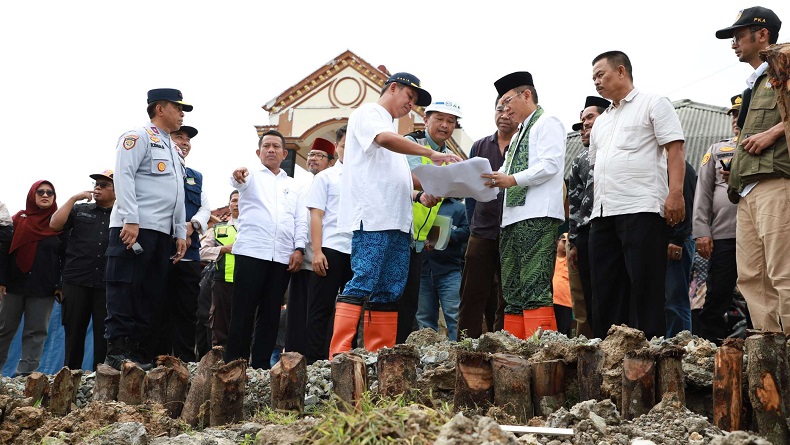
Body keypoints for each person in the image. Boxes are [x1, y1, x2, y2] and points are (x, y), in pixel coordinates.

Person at [329, 72, 460, 357]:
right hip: (374, 218)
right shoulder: (369, 114)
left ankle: (380, 354)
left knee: (390, 288)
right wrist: (432, 154)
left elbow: (402, 178)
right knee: (364, 279)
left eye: (414, 102)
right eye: (409, 97)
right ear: (392, 88)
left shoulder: (391, 130)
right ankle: (339, 354)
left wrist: (434, 185)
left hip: (400, 222)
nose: (410, 105)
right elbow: (384, 139)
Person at [587, 51, 686, 339]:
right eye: (593, 77)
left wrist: (675, 193)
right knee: (604, 290)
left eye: (600, 75)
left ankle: (648, 361)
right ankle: (610, 357)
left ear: (621, 71)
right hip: (603, 213)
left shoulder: (653, 103)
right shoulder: (602, 121)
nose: (596, 82)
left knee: (645, 289)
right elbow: (598, 165)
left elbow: (675, 150)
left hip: (640, 208)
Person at [104, 88, 190, 370]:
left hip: (161, 233)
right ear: (160, 108)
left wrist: (179, 231)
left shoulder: (174, 150)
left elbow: (177, 194)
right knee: (125, 288)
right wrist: (131, 218)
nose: (181, 114)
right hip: (135, 227)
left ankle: (139, 352)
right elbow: (124, 176)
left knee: (150, 294)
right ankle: (118, 352)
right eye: (178, 108)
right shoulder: (137, 137)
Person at [716, 7, 789, 333]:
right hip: (747, 191)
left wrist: (774, 133)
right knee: (751, 278)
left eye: (738, 35)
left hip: (777, 182)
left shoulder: (784, 66)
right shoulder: (755, 81)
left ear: (762, 34)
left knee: (783, 273)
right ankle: (770, 360)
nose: (734, 43)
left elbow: (773, 128)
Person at [481, 71, 566, 340]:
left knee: (534, 285)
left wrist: (511, 179)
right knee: (513, 289)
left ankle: (540, 350)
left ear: (526, 95)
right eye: (501, 104)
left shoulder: (547, 122)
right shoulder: (519, 134)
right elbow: (503, 171)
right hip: (512, 218)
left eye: (508, 101)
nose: (505, 109)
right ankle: (515, 349)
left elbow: (551, 165)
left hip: (538, 214)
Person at [226, 129, 308, 369]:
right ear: (258, 152)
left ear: (284, 153)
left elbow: (300, 219)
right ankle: (234, 364)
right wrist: (237, 175)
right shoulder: (250, 177)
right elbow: (236, 180)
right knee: (243, 311)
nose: (271, 150)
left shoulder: (294, 186)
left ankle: (261, 366)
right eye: (266, 146)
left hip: (282, 256)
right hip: (252, 252)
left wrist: (299, 248)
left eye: (275, 147)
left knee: (271, 314)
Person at [399, 99, 464, 343]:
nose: (445, 125)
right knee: (399, 301)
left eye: (451, 121)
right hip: (401, 233)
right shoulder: (412, 143)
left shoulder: (451, 155)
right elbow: (415, 177)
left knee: (414, 306)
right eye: (439, 119)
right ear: (426, 119)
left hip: (421, 243)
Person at [458, 97, 516, 339]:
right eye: (499, 109)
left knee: (507, 293)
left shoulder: (524, 146)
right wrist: (473, 225)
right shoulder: (480, 146)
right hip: (481, 230)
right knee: (472, 291)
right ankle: (464, 344)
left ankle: (502, 342)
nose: (504, 114)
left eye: (509, 110)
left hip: (513, 229)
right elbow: (471, 192)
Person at [151, 124, 210, 363]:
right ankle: (157, 360)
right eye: (179, 137)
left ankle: (184, 362)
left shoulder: (196, 176)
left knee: (187, 311)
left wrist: (191, 225)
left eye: (187, 139)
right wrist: (176, 229)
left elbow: (206, 208)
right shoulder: (158, 170)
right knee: (158, 307)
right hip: (162, 250)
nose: (184, 142)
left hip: (190, 254)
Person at [49, 170, 115, 370]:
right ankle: (69, 377)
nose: (97, 187)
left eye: (104, 184)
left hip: (106, 282)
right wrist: (73, 198)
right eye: (96, 183)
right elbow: (54, 224)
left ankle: (99, 381)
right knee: (73, 333)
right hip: (76, 280)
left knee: (104, 335)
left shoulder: (123, 216)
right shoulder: (80, 209)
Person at [0, 180, 65, 376]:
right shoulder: (18, 220)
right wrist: (1, 280)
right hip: (13, 285)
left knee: (36, 332)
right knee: (4, 329)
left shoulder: (59, 223)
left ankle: (25, 376)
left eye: (50, 192)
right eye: (40, 192)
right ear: (32, 195)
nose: (45, 195)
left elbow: (66, 256)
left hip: (43, 288)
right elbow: (4, 252)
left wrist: (60, 285)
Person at [692, 95, 741, 344]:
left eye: (740, 113)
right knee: (718, 292)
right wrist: (702, 231)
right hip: (724, 235)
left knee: (762, 292)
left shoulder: (770, 145)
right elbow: (703, 192)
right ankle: (709, 348)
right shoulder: (717, 149)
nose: (735, 119)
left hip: (759, 232)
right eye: (732, 114)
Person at [305, 127, 352, 363]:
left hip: (358, 251)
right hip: (331, 249)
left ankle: (344, 359)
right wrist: (317, 251)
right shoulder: (327, 177)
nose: (349, 150)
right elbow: (316, 215)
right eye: (344, 146)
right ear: (337, 148)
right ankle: (314, 362)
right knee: (320, 309)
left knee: (351, 311)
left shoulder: (366, 177)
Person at [285, 137, 335, 356]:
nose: (313, 159)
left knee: (320, 312)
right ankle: (293, 358)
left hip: (323, 256)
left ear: (331, 162)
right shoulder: (298, 184)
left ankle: (319, 359)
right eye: (312, 154)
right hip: (300, 255)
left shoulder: (333, 181)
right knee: (296, 311)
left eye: (320, 155)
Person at [566, 96, 610, 338]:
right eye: (581, 121)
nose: (583, 126)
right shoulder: (579, 160)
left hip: (612, 225)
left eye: (589, 119)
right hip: (585, 232)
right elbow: (574, 204)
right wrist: (573, 241)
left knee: (608, 290)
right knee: (588, 292)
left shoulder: (617, 149)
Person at [417, 196, 469, 341]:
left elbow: (468, 230)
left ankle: (458, 355)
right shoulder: (418, 204)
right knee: (424, 318)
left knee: (455, 317)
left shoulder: (458, 208)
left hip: (449, 270)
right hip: (422, 270)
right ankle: (427, 358)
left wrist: (447, 235)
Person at [664, 161, 697, 338]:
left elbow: (688, 205)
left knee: (676, 302)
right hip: (663, 241)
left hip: (678, 241)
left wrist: (677, 239)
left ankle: (680, 349)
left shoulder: (682, 168)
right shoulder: (660, 165)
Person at [553, 233, 572, 336]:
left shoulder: (572, 261)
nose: (566, 245)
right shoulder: (550, 259)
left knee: (564, 334)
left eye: (569, 243)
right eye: (564, 242)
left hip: (566, 304)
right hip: (550, 302)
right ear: (557, 242)